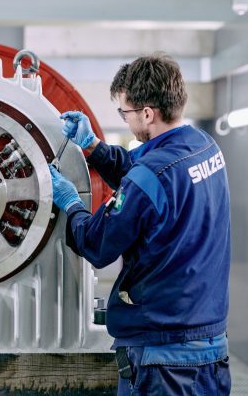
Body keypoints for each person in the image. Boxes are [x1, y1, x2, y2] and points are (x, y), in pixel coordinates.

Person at [49, 53, 231, 395]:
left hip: (163, 356)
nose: (125, 120)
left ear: (148, 113)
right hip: (210, 343)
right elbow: (143, 175)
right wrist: (93, 146)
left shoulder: (150, 176)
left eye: (125, 113)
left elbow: (97, 244)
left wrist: (70, 201)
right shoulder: (205, 148)